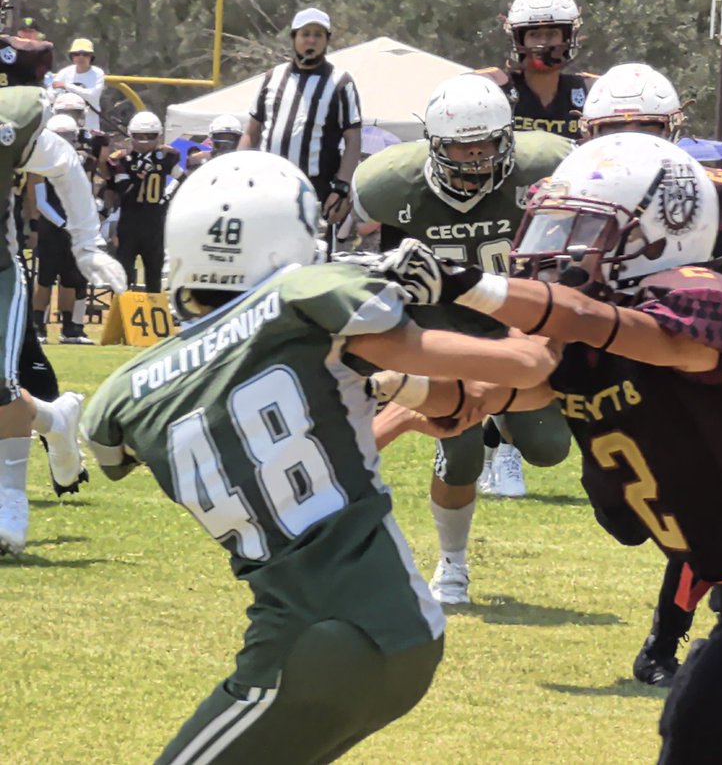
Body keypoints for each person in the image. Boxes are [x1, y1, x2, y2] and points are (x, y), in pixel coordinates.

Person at [382, 133, 722, 765]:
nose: (560, 248)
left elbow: (615, 330)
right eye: (556, 226)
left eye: (583, 227)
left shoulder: (707, 299)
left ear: (660, 231)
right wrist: (387, 377)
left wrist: (465, 283)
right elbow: (481, 394)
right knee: (685, 734)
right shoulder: (587, 324)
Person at [80, 151, 558, 762]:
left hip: (314, 639)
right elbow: (522, 372)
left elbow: (135, 445)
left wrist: (396, 392)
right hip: (390, 628)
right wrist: (478, 290)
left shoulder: (129, 390)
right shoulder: (306, 297)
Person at [352, 73, 574, 602]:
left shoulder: (546, 167)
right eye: (461, 147)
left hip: (517, 324)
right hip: (440, 332)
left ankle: (502, 419)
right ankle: (452, 565)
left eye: (486, 146)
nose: (475, 159)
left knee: (549, 449)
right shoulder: (392, 185)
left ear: (508, 140)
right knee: (460, 450)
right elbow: (355, 248)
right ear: (434, 144)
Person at [579, 63, 722, 688]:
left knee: (701, 508)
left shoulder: (698, 203)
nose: (631, 142)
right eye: (616, 130)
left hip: (684, 368)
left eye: (646, 128)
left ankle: (663, 647)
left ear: (672, 130)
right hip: (601, 380)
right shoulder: (571, 199)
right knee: (622, 519)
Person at [0, 76, 127, 553]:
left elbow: (65, 163)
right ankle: (55, 419)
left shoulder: (8, 121)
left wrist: (87, 244)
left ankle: (9, 500)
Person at [240, 8, 362, 226]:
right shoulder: (272, 78)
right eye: (305, 34)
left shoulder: (340, 82)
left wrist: (342, 187)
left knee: (312, 257)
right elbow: (252, 131)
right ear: (294, 37)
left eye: (318, 35)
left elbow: (353, 139)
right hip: (267, 186)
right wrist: (239, 171)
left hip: (316, 190)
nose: (311, 40)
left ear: (326, 40)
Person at [476, 0, 595, 141]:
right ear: (519, 40)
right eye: (534, 35)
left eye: (552, 33)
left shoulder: (592, 92)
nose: (543, 43)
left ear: (567, 38)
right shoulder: (494, 91)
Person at [30, 114, 96, 344]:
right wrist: (63, 224)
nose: (64, 140)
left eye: (68, 136)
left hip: (73, 225)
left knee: (71, 279)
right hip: (52, 226)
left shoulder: (83, 159)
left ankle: (69, 328)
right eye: (60, 136)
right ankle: (38, 326)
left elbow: (85, 193)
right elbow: (40, 201)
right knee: (45, 278)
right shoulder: (39, 161)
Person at [105, 111, 181, 294]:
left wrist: (169, 195)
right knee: (123, 277)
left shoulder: (166, 157)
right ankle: (121, 315)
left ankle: (152, 318)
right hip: (129, 223)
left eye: (150, 136)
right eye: (139, 136)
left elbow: (183, 178)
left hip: (155, 224)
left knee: (154, 277)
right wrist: (142, 172)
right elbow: (124, 190)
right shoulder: (121, 159)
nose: (144, 141)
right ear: (131, 135)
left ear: (159, 136)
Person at [51, 38, 105, 131]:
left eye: (85, 54)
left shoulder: (98, 73)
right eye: (76, 54)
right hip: (65, 125)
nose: (81, 57)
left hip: (89, 125)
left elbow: (92, 95)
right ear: (71, 56)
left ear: (91, 56)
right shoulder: (64, 72)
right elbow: (52, 94)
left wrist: (67, 86)